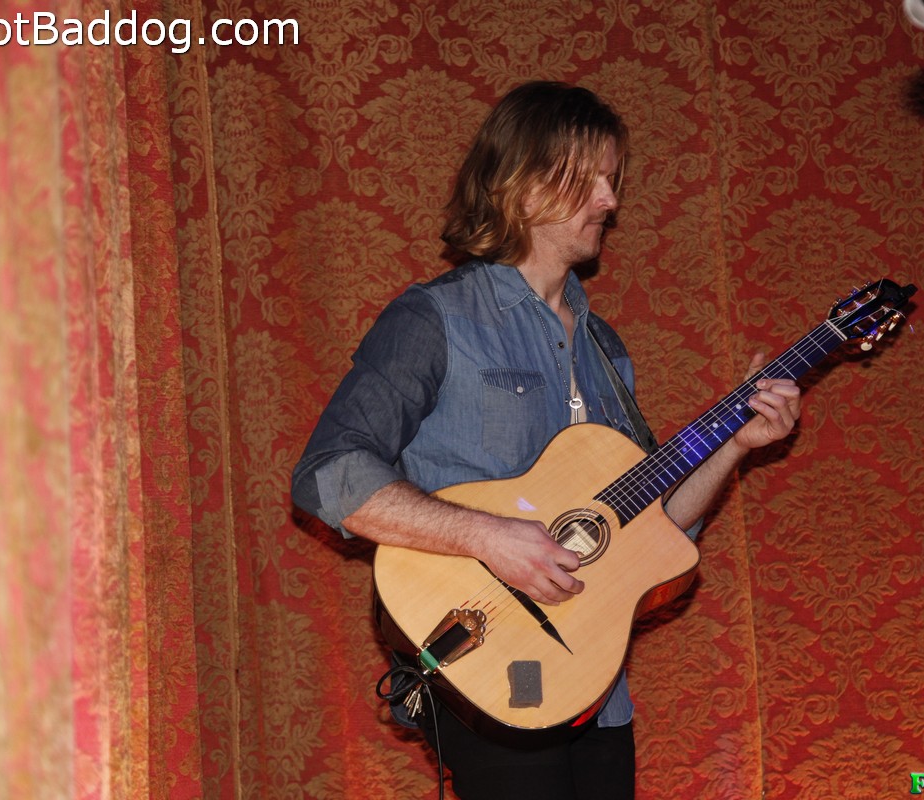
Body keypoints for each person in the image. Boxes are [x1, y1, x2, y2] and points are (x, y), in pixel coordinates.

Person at [291, 81, 801, 800]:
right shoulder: (436, 319)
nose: (610, 201)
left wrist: (735, 445)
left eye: (612, 180)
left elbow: (651, 522)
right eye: (589, 180)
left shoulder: (605, 349)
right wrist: (488, 536)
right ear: (524, 187)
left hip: (596, 681)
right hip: (484, 650)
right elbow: (328, 474)